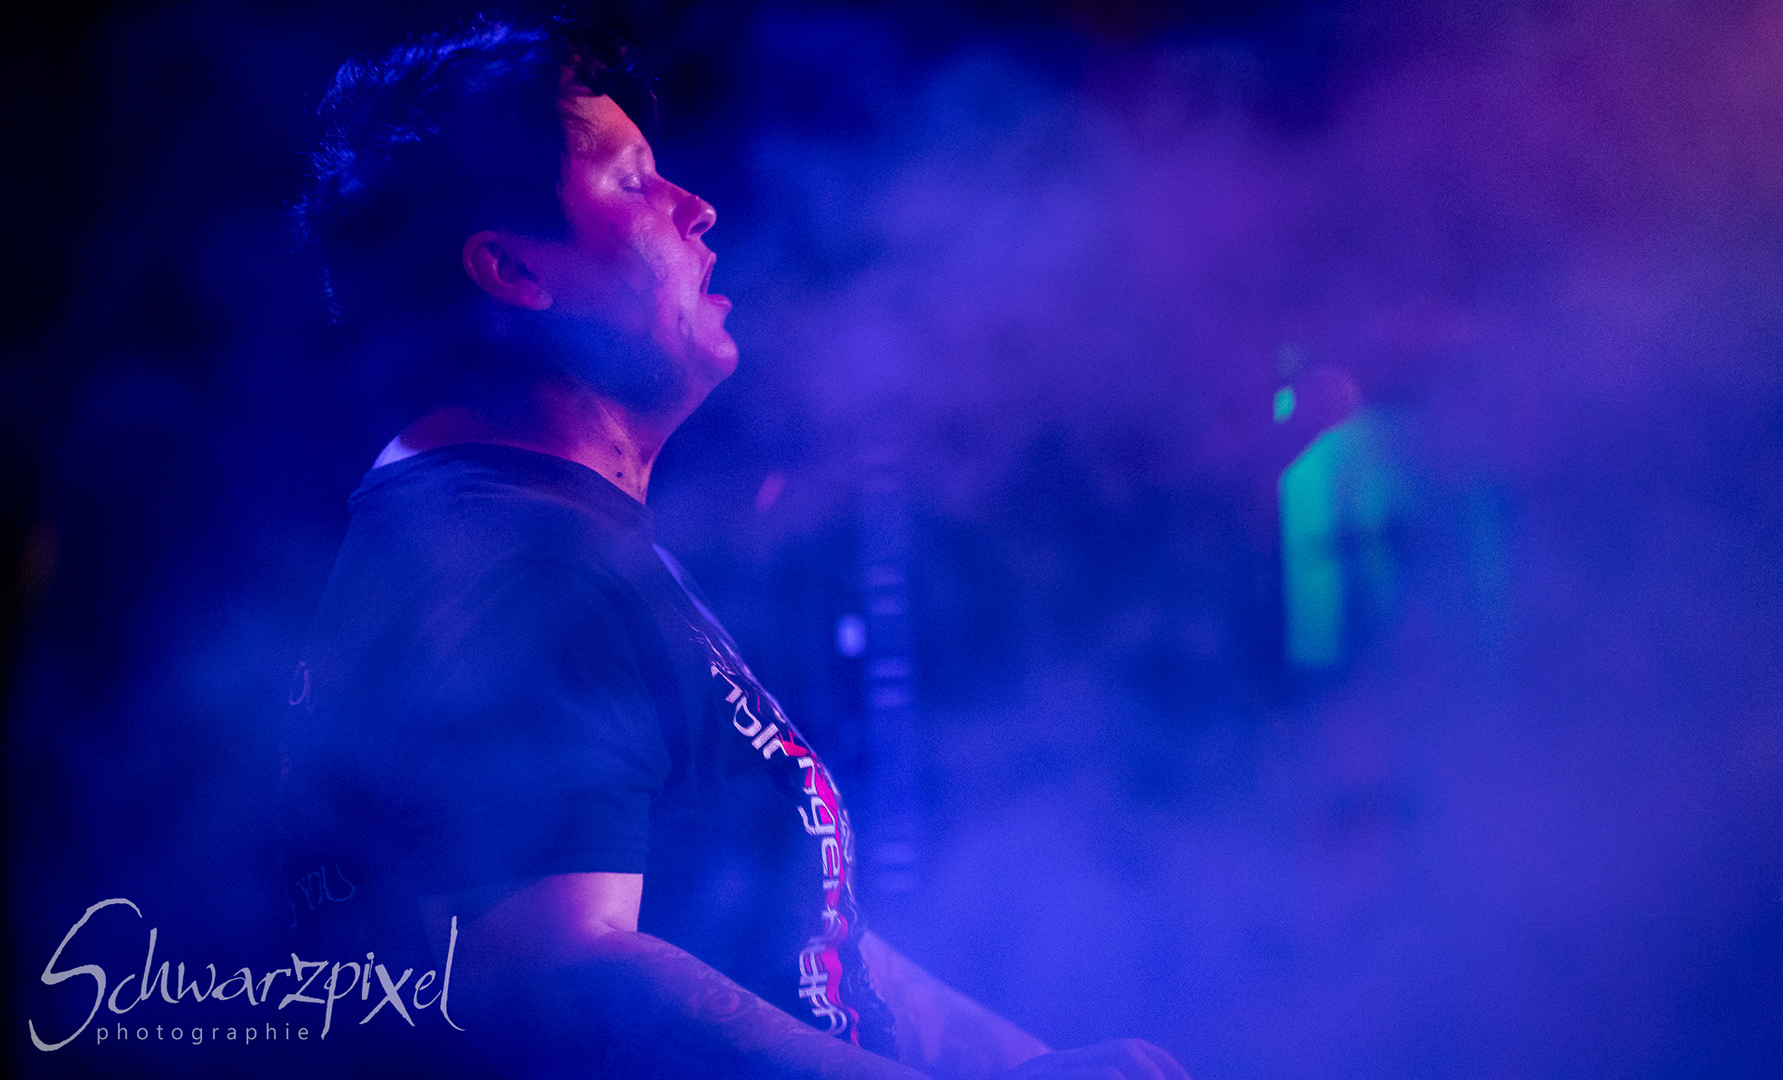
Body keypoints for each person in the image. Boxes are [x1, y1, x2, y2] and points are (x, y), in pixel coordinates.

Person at [280, 16, 1192, 1080]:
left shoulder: (551, 539)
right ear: (514, 269)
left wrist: (1032, 1064)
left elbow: (814, 951)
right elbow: (555, 971)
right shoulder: (516, 567)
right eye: (632, 182)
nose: (696, 208)